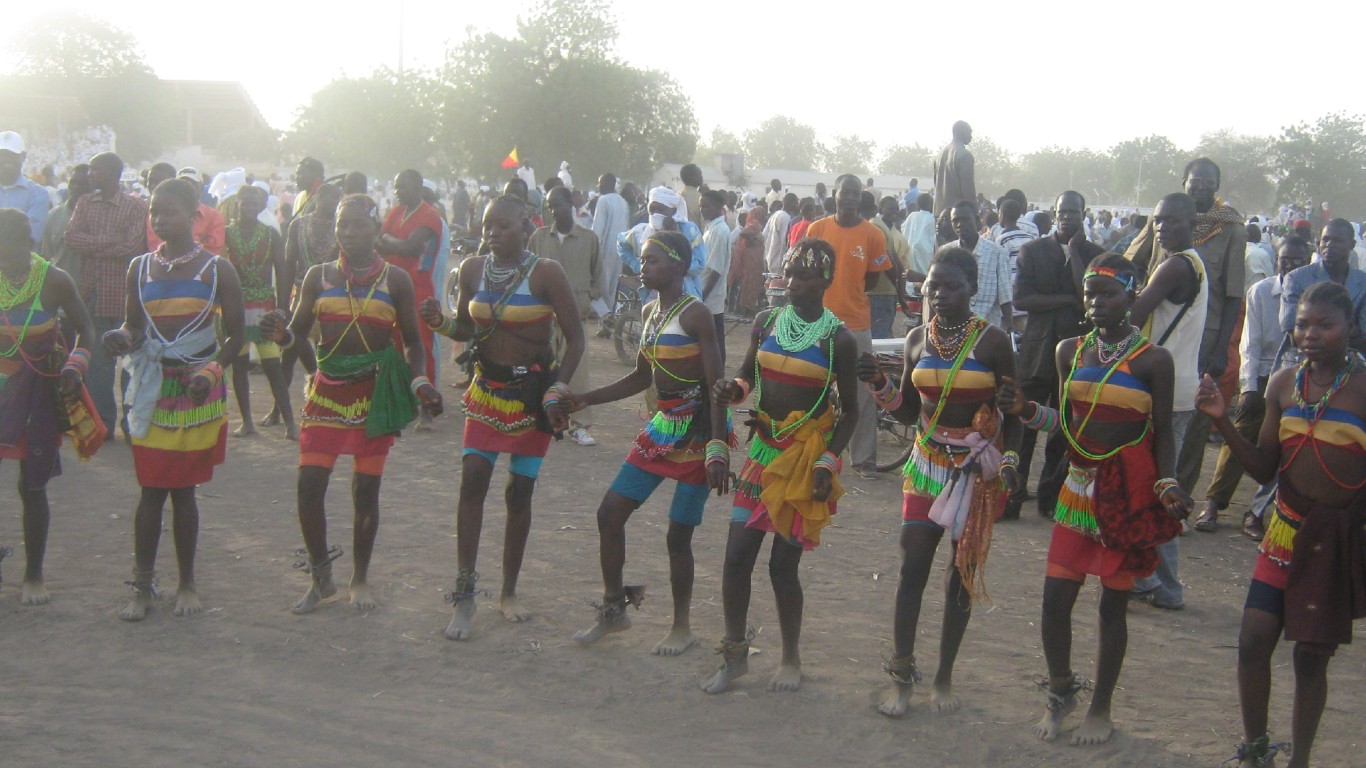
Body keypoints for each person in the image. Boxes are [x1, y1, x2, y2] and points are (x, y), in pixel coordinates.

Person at [1001, 253, 1192, 746]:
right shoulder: (1070, 351)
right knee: (1054, 601)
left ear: (1131, 297)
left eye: (1108, 294)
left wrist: (1167, 483)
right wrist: (1026, 412)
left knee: (1112, 607)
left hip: (1126, 495)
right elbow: (1067, 425)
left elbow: (1163, 432)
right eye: (1091, 294)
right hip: (1077, 491)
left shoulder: (1153, 360)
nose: (1097, 303)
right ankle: (1061, 691)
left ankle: (1102, 708)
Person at [1196, 282, 1366, 768]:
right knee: (1252, 642)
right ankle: (1255, 749)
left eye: (1325, 325)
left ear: (1349, 329)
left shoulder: (1363, 388)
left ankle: (1300, 760)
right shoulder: (1283, 383)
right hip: (1285, 531)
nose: (1310, 334)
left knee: (1310, 658)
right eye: (1302, 324)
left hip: (1333, 541)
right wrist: (1223, 421)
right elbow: (1265, 469)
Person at [857, 246, 1021, 717]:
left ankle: (945, 674)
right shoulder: (915, 340)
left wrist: (1010, 460)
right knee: (912, 568)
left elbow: (1015, 411)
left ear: (973, 290)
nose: (941, 294)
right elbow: (909, 411)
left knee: (960, 575)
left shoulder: (992, 343)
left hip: (973, 470)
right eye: (933, 286)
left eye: (952, 287)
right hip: (926, 465)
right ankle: (903, 673)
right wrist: (877, 383)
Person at [260, 193, 441, 614]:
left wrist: (418, 383)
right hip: (326, 393)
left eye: (359, 225)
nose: (349, 233)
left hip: (371, 397)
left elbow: (414, 343)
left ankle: (359, 578)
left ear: (377, 230)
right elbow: (299, 333)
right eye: (343, 225)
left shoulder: (395, 280)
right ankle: (321, 577)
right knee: (309, 487)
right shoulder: (318, 277)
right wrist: (280, 334)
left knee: (365, 492)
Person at [701, 238, 860, 695]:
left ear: (826, 282)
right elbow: (747, 377)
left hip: (801, 461)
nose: (792, 283)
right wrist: (731, 391)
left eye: (805, 276)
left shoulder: (838, 340)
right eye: (789, 273)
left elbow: (850, 411)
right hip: (763, 455)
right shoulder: (766, 321)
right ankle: (734, 655)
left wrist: (828, 462)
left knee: (782, 568)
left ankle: (791, 656)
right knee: (735, 559)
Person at [421, 195, 584, 640]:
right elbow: (468, 330)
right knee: (472, 481)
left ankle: (509, 592)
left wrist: (558, 387)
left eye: (503, 226)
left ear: (526, 226)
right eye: (488, 225)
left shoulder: (547, 273)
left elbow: (575, 338)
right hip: (487, 393)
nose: (493, 233)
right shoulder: (473, 269)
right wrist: (440, 323)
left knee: (519, 493)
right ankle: (464, 594)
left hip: (530, 399)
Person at [569, 231, 730, 654]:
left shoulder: (695, 315)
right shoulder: (649, 311)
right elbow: (642, 377)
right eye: (642, 260)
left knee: (678, 535)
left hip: (697, 433)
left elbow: (717, 384)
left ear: (679, 265)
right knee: (609, 513)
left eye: (653, 260)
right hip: (662, 428)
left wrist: (717, 448)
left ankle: (682, 626)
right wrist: (586, 398)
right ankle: (613, 608)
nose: (644, 267)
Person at [102, 178, 246, 621]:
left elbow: (237, 336)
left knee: (184, 493)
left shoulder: (218, 270)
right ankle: (142, 586)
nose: (160, 219)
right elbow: (136, 326)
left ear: (194, 214)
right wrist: (121, 337)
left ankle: (187, 583)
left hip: (198, 391)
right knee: (150, 491)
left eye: (169, 211)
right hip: (151, 390)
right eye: (154, 212)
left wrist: (211, 371)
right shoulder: (140, 268)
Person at [1126, 158, 1246, 497]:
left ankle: (1180, 498)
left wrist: (1224, 348)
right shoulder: (1162, 217)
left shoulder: (1232, 228)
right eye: (1196, 181)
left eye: (1209, 181)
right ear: (1184, 182)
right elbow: (1134, 259)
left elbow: (1235, 294)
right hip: (1157, 328)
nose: (1201, 186)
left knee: (1190, 426)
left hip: (1203, 335)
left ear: (1217, 187)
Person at [0, 209, 101, 605]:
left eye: (7, 251)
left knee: (32, 484)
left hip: (36, 390)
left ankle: (33, 575)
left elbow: (86, 328)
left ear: (28, 244)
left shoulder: (55, 281)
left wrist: (77, 365)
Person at [1197, 237, 1311, 538]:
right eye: (1285, 259)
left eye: (1297, 261)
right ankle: (1213, 502)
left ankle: (1257, 512)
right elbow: (1251, 343)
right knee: (1238, 439)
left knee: (1290, 448)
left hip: (1300, 376)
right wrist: (1248, 387)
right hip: (1263, 374)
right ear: (1277, 261)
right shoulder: (1261, 291)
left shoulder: (1311, 295)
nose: (1290, 265)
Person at [1127, 192, 1209, 611]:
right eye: (1157, 221)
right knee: (1157, 482)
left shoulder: (1176, 265)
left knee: (1159, 485)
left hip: (1165, 390)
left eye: (1172, 221)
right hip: (1175, 384)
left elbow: (1133, 314)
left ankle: (1163, 583)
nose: (1162, 228)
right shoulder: (1192, 264)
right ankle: (1150, 579)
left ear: (1192, 223)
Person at [1011, 192, 1107, 519]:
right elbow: (1022, 298)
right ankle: (1014, 490)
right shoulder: (1033, 251)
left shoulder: (1095, 256)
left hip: (1076, 353)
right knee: (1023, 423)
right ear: (1053, 214)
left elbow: (1087, 301)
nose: (1067, 217)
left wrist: (1077, 254)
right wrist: (1066, 299)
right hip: (1037, 350)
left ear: (1084, 214)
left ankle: (1050, 498)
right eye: (1062, 212)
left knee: (1064, 427)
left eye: (1073, 212)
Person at [807, 176, 900, 479]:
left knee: (862, 392)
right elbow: (807, 270)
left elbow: (872, 278)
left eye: (855, 193)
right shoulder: (817, 229)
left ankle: (864, 460)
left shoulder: (872, 234)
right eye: (844, 192)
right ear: (834, 194)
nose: (849, 198)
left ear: (860, 198)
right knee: (812, 388)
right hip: (817, 321)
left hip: (856, 323)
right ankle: (807, 451)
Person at [66, 152, 149, 436]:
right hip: (93, 292)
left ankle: (131, 423)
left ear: (112, 173)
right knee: (98, 364)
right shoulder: (85, 202)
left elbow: (133, 247)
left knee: (129, 363)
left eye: (94, 169)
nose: (90, 175)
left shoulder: (135, 206)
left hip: (126, 296)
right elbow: (72, 238)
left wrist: (94, 246)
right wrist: (109, 241)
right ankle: (102, 423)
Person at [217, 184, 295, 439]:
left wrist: (283, 308)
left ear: (262, 206)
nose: (249, 207)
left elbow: (282, 271)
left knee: (272, 365)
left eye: (254, 203)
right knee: (239, 366)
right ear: (237, 204)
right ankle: (247, 422)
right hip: (237, 308)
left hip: (264, 308)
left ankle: (290, 423)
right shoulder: (226, 234)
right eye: (245, 203)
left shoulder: (271, 234)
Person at [527, 186, 601, 446]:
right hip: (544, 315)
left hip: (575, 315)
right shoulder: (538, 238)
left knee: (577, 372)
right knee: (543, 368)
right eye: (549, 206)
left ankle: (579, 425)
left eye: (557, 204)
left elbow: (598, 276)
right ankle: (541, 419)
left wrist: (587, 298)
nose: (553, 210)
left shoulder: (589, 238)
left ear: (570, 203)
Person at [269, 183, 340, 426]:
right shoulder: (298, 226)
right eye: (328, 199)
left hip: (334, 295)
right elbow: (289, 264)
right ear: (318, 198)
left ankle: (326, 404)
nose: (332, 205)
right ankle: (278, 409)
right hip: (301, 293)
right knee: (288, 353)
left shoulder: (341, 227)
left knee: (329, 352)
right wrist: (282, 304)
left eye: (336, 200)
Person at [377, 170, 442, 414]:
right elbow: (381, 241)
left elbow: (412, 248)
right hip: (392, 284)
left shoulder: (429, 215)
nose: (397, 192)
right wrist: (392, 242)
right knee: (393, 343)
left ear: (417, 187)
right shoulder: (397, 211)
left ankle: (428, 404)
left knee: (420, 344)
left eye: (402, 187)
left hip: (418, 288)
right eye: (396, 187)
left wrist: (389, 240)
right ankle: (403, 397)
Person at [1281, 218, 1366, 347]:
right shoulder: (1296, 279)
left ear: (1352, 245)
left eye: (1337, 240)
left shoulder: (1362, 282)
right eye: (1325, 239)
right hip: (1304, 360)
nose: (1329, 244)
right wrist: (1347, 331)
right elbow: (1294, 334)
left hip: (1352, 361)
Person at [618, 187, 706, 299]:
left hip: (684, 296)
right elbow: (621, 245)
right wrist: (637, 265)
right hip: (652, 297)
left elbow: (698, 266)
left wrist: (676, 236)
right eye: (652, 209)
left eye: (660, 210)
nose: (655, 214)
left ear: (673, 211)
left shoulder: (689, 231)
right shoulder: (641, 232)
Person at [946, 201, 1012, 330]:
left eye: (965, 220)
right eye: (955, 221)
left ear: (977, 220)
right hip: (953, 328)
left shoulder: (996, 253)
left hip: (986, 330)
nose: (959, 225)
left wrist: (1009, 328)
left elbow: (1005, 297)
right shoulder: (946, 253)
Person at [145, 163, 226, 256]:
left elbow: (213, 250)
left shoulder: (214, 216)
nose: (187, 188)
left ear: (201, 187)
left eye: (192, 184)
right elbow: (155, 246)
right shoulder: (157, 214)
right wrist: (199, 241)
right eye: (181, 184)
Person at [591, 174, 631, 336]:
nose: (598, 186)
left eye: (600, 183)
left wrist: (591, 250)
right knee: (612, 288)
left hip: (604, 249)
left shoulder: (603, 200)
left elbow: (597, 229)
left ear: (608, 184)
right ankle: (605, 325)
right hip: (619, 250)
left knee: (597, 286)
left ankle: (605, 315)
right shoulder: (623, 203)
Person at [38, 164, 91, 282]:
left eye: (83, 184)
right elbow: (47, 256)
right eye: (73, 182)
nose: (76, 187)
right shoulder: (54, 216)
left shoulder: (102, 216)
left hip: (95, 292)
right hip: (63, 289)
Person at [868, 195, 910, 339]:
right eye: (891, 208)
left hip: (886, 291)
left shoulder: (891, 231)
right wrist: (899, 289)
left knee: (883, 333)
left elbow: (896, 261)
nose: (895, 212)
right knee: (880, 334)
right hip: (880, 291)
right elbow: (888, 262)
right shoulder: (876, 226)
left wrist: (901, 291)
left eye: (896, 209)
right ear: (880, 209)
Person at [698, 190, 732, 364]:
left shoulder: (720, 231)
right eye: (701, 206)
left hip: (710, 295)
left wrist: (700, 297)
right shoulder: (711, 228)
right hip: (704, 292)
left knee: (715, 341)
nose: (702, 210)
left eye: (706, 206)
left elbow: (715, 270)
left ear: (719, 207)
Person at [0, 131, 50, 243]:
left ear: (23, 157)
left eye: (12, 155)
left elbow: (31, 237)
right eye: (2, 155)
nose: (6, 160)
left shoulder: (38, 194)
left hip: (20, 260)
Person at [727, 206, 766, 316]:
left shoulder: (754, 224)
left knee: (749, 285)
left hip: (753, 260)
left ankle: (745, 308)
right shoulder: (754, 224)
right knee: (748, 284)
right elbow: (743, 233)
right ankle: (745, 308)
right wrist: (753, 240)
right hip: (750, 261)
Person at [933, 121, 975, 219]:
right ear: (961, 132)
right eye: (969, 132)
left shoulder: (939, 156)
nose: (971, 136)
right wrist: (975, 213)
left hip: (939, 213)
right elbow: (968, 187)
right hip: (957, 215)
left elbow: (936, 184)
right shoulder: (964, 155)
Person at [678, 164, 704, 228]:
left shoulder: (677, 195)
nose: (702, 177)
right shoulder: (701, 199)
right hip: (695, 235)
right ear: (692, 177)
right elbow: (703, 224)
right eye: (699, 174)